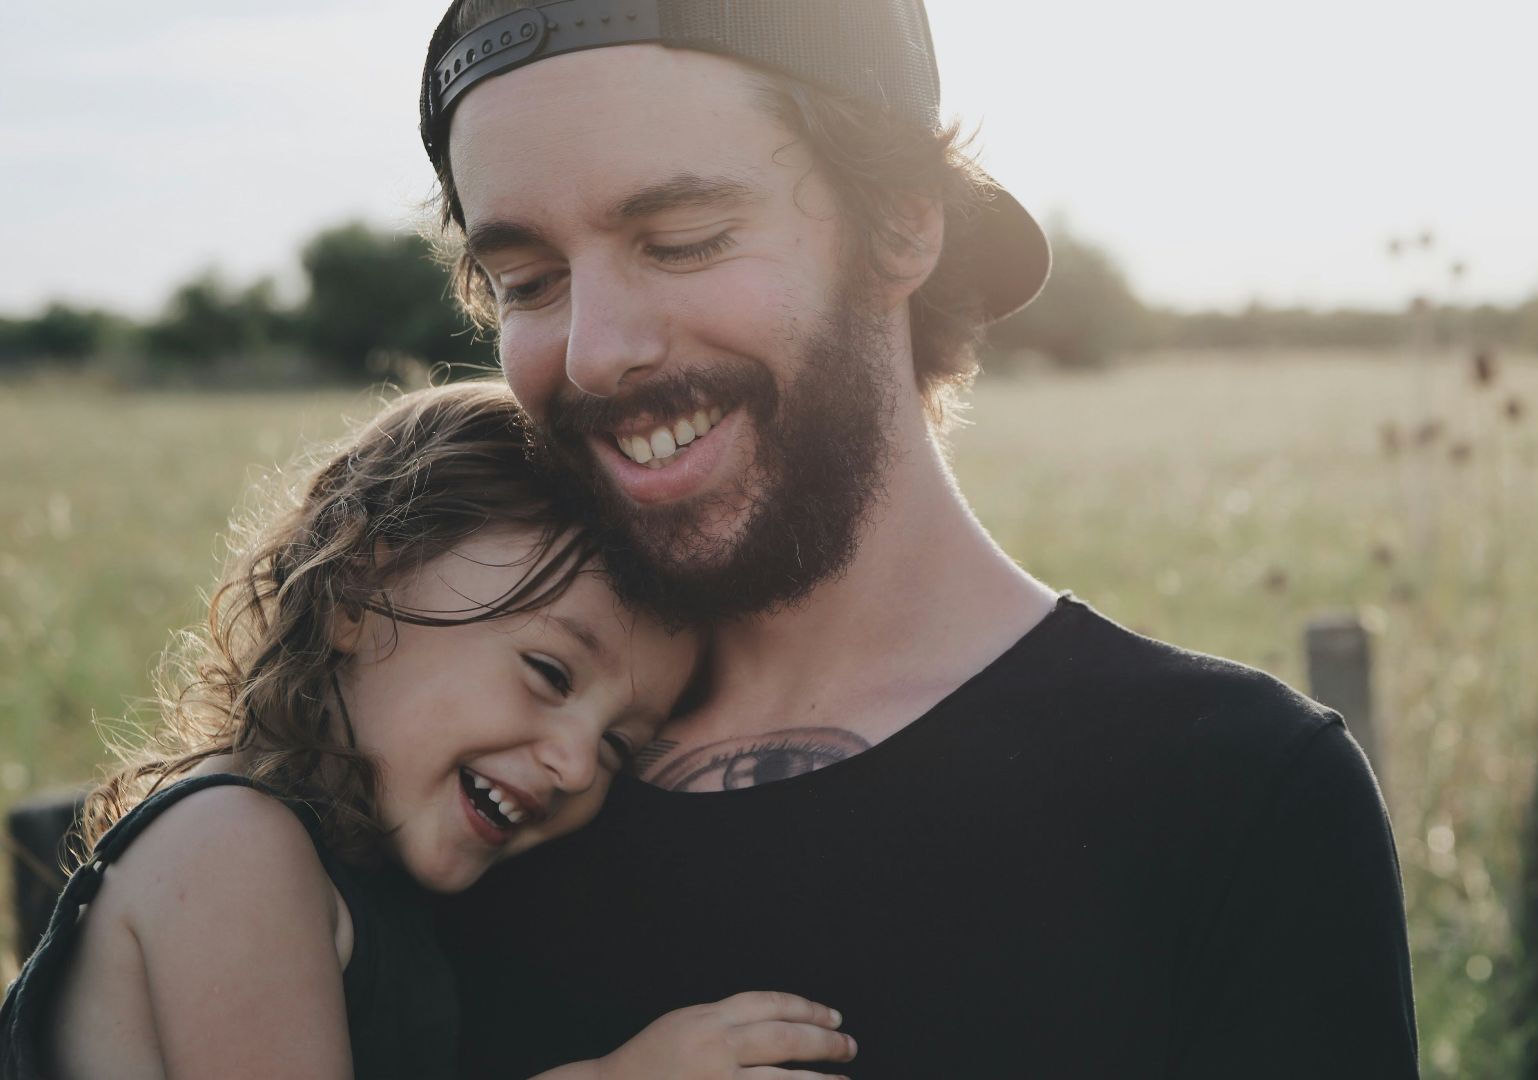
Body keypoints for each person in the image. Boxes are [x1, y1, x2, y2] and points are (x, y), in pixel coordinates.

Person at [421, 1, 1421, 1075]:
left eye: (682, 240)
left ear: (902, 227)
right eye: (528, 282)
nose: (593, 353)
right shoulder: (458, 776)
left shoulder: (1234, 795)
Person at [0, 383, 859, 1079]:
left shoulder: (364, 886)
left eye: (615, 748)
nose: (571, 764)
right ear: (356, 585)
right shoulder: (232, 846)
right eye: (550, 674)